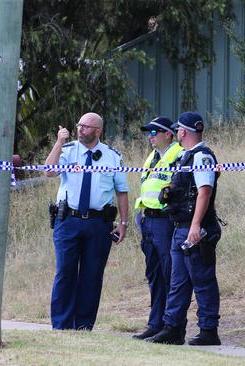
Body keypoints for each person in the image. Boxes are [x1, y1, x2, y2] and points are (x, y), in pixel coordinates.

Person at [44, 112, 129, 330]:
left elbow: (121, 191)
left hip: (98, 223)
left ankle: (83, 326)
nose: (80, 129)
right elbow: (49, 171)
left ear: (98, 131)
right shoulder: (68, 150)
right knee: (65, 272)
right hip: (68, 220)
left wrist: (123, 223)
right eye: (79, 125)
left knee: (92, 276)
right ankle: (61, 326)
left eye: (86, 126)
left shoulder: (112, 156)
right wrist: (58, 142)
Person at [146, 111, 222, 346]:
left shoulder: (201, 157)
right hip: (180, 227)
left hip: (195, 229)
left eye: (179, 129)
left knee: (202, 279)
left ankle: (209, 330)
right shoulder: (186, 157)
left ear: (183, 132)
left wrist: (196, 226)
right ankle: (173, 328)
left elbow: (204, 192)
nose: (177, 132)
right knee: (178, 281)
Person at [132, 117, 184, 340]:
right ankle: (156, 324)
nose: (150, 136)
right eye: (148, 132)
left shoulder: (179, 154)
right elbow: (147, 188)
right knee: (154, 274)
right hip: (148, 220)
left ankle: (174, 327)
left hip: (166, 221)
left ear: (168, 135)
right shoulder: (152, 157)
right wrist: (139, 213)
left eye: (154, 132)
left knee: (169, 273)